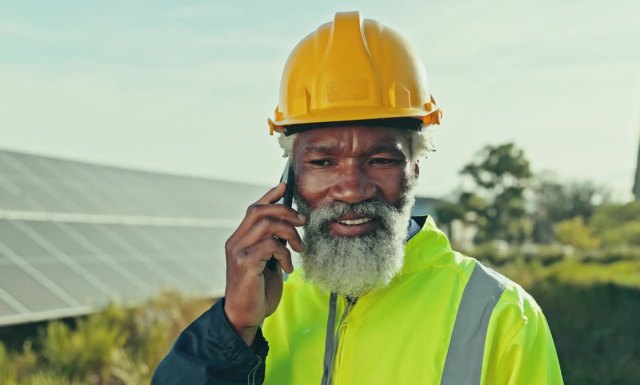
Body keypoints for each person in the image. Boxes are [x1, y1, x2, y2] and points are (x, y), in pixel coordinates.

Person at [152, 11, 564, 385]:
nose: (351, 188)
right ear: (290, 175)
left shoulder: (502, 317)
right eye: (324, 162)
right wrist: (233, 331)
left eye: (381, 159)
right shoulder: (261, 305)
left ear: (414, 169)